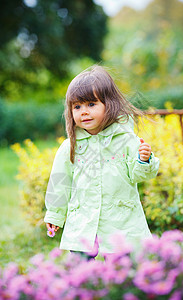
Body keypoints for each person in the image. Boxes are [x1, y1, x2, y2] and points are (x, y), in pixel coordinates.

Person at [44, 65, 159, 258]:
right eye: (77, 106)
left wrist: (143, 160)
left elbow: (139, 175)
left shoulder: (126, 140)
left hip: (119, 218)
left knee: (121, 263)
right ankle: (84, 287)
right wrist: (55, 214)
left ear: (109, 104)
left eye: (91, 104)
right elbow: (60, 181)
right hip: (83, 219)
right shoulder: (71, 146)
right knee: (80, 263)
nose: (84, 112)